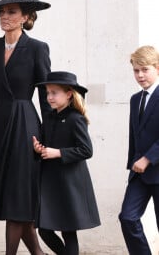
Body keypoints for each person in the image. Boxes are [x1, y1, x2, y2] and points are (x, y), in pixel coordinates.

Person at [0, 0, 51, 255]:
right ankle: (38, 254)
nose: (4, 16)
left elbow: (45, 94)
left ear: (25, 16)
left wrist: (49, 135)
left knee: (17, 196)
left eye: (11, 12)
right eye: (2, 12)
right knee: (11, 196)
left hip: (25, 126)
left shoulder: (38, 48)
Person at [33, 71, 101, 255]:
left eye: (54, 92)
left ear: (69, 93)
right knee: (44, 229)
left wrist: (59, 153)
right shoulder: (50, 118)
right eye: (47, 93)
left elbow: (86, 150)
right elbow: (47, 145)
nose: (49, 97)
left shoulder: (76, 118)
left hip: (70, 183)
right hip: (51, 181)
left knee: (68, 231)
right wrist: (40, 149)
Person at [119, 45, 159, 255]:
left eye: (145, 69)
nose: (140, 75)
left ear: (157, 68)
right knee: (127, 217)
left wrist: (148, 159)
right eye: (136, 70)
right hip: (139, 174)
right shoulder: (136, 99)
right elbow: (135, 136)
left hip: (156, 169)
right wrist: (133, 164)